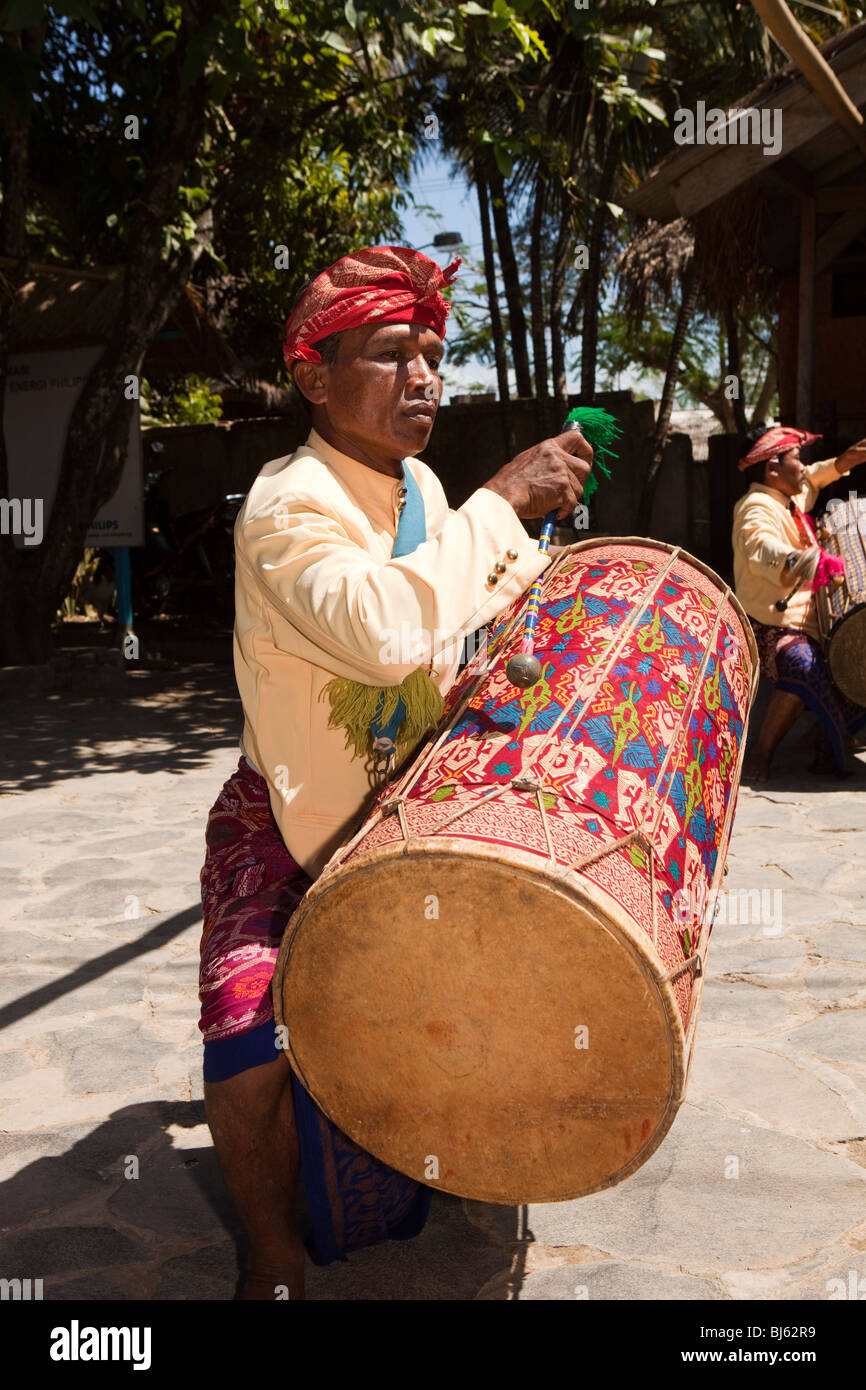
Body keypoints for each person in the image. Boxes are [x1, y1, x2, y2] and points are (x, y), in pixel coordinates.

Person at [198, 245, 593, 1298]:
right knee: (247, 1039)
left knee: (469, 1004)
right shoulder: (287, 506)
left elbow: (472, 585)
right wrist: (505, 495)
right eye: (389, 354)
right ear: (315, 379)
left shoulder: (418, 483)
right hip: (287, 816)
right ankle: (270, 1252)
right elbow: (381, 629)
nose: (422, 376)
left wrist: (555, 576)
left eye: (429, 353)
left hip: (404, 808)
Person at [731, 424, 866, 781]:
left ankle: (823, 732)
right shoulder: (755, 508)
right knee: (801, 662)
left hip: (807, 620)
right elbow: (760, 548)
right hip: (768, 626)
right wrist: (810, 561)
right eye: (797, 459)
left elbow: (813, 481)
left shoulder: (785, 498)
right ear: (772, 468)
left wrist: (842, 462)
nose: (804, 467)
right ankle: (762, 753)